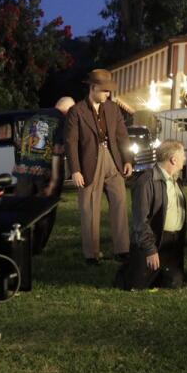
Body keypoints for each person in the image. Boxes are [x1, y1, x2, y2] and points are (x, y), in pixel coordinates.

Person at [65, 70, 133, 265]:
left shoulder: (113, 108)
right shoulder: (77, 111)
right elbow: (71, 142)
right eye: (105, 91)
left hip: (113, 159)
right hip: (88, 163)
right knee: (90, 209)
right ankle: (92, 254)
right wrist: (75, 169)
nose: (108, 95)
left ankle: (122, 250)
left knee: (119, 204)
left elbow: (122, 135)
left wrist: (127, 160)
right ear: (92, 88)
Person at [120, 140, 187, 290]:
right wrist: (150, 249)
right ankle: (129, 270)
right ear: (173, 160)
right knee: (137, 285)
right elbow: (140, 220)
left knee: (173, 282)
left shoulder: (176, 180)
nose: (185, 158)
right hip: (154, 241)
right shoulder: (146, 182)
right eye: (183, 155)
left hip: (172, 243)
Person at [13, 96, 74, 252]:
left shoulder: (33, 117)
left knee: (23, 211)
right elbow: (57, 152)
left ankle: (19, 244)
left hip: (24, 172)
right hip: (45, 173)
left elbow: (21, 144)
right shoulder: (61, 120)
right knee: (45, 212)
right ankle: (38, 248)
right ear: (69, 111)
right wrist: (54, 182)